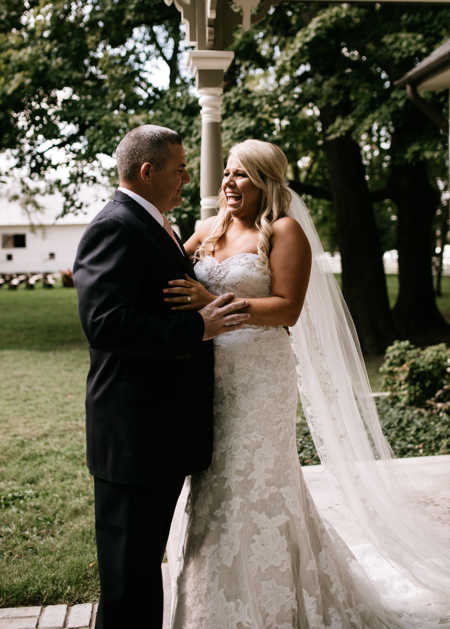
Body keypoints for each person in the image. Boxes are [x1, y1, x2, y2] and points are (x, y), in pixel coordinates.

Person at [163, 139, 450, 627]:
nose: (229, 183)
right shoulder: (207, 230)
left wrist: (212, 300)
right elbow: (167, 269)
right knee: (213, 484)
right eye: (227, 173)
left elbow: (287, 309)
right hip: (211, 374)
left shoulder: (283, 230)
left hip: (260, 375)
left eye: (243, 175)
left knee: (256, 482)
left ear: (267, 182)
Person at [72, 124, 250, 629]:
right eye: (179, 168)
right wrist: (198, 326)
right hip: (132, 436)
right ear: (147, 172)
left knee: (140, 569)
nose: (187, 177)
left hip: (157, 434)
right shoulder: (116, 226)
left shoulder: (156, 223)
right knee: (129, 575)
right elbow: (105, 325)